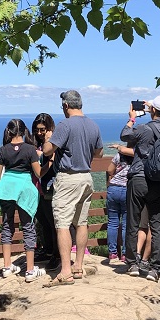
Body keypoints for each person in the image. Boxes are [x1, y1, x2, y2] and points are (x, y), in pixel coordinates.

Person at [41, 89, 103, 284]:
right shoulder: (93, 125)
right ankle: (78, 266)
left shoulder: (65, 125)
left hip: (68, 178)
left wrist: (48, 139)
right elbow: (99, 153)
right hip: (86, 177)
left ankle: (65, 271)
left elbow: (47, 150)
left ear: (66, 106)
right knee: (81, 222)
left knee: (62, 224)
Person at [120, 95, 160, 282]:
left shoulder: (144, 129)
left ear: (153, 110)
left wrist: (132, 117)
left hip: (138, 177)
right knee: (155, 224)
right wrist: (153, 108)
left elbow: (124, 135)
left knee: (134, 221)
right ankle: (154, 268)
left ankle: (133, 264)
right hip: (158, 181)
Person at [0, 119, 46, 283]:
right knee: (28, 227)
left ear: (9, 131)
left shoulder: (3, 150)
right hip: (24, 188)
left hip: (7, 188)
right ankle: (30, 271)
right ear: (24, 131)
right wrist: (49, 163)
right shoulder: (30, 149)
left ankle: (7, 267)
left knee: (7, 226)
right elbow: (38, 173)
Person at [32, 113, 58, 266]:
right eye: (37, 130)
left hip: (51, 186)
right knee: (44, 221)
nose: (39, 133)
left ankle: (56, 253)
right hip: (40, 187)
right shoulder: (38, 143)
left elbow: (53, 161)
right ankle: (48, 250)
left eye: (43, 130)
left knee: (52, 221)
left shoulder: (53, 142)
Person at [105, 146, 132, 263]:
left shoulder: (119, 156)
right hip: (127, 190)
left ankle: (112, 253)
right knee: (126, 224)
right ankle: (125, 254)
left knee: (112, 222)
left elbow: (109, 170)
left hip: (114, 188)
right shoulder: (137, 157)